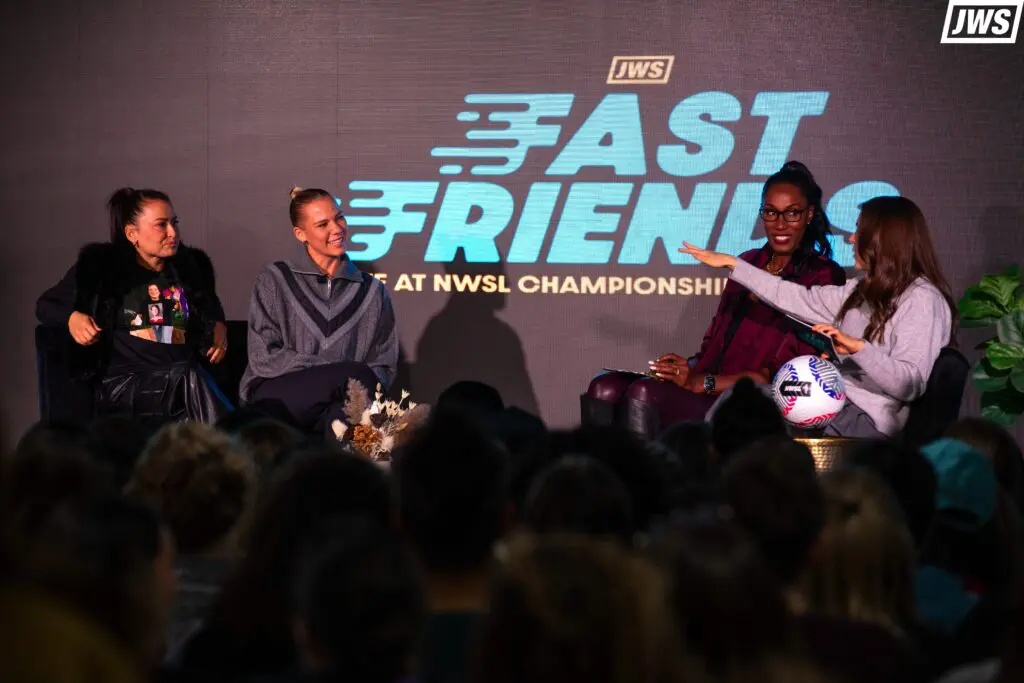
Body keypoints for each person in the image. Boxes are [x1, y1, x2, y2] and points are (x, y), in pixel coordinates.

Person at [583, 161, 845, 439]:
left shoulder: (822, 275)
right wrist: (683, 369)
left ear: (809, 214)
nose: (780, 224)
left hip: (748, 399)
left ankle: (651, 482)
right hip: (707, 384)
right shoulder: (748, 261)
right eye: (771, 213)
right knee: (604, 387)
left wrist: (700, 383)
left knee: (642, 392)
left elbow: (779, 376)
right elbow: (712, 346)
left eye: (792, 213)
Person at [682, 195, 956, 437]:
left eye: (858, 229)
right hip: (832, 399)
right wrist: (734, 264)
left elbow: (909, 384)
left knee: (748, 420)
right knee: (738, 400)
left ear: (880, 239)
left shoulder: (922, 300)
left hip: (864, 418)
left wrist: (858, 348)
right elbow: (793, 296)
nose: (851, 238)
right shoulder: (860, 290)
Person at [36, 188, 231, 425]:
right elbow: (46, 306)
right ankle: (235, 446)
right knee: (189, 378)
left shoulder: (187, 271)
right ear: (132, 234)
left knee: (189, 384)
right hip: (125, 386)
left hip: (180, 383)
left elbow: (209, 303)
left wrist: (219, 323)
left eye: (174, 223)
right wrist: (71, 317)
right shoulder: (103, 270)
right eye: (161, 225)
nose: (173, 232)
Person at [240, 187, 398, 438]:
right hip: (279, 396)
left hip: (348, 397)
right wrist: (332, 372)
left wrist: (339, 382)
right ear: (300, 234)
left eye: (339, 217)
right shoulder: (275, 279)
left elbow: (383, 364)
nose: (337, 229)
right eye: (323, 224)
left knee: (344, 409)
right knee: (354, 377)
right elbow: (263, 356)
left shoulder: (373, 292)